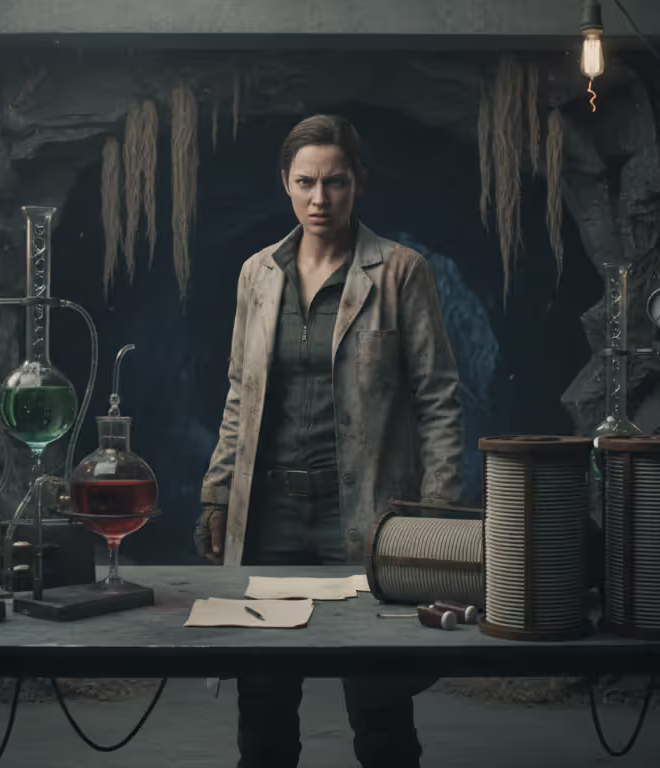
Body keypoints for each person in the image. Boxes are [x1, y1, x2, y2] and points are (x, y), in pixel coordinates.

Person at [194, 114, 464, 768]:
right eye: (306, 182)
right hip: (271, 518)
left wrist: (434, 520)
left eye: (335, 182)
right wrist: (217, 492)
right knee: (263, 709)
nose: (320, 198)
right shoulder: (257, 274)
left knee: (381, 708)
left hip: (369, 518)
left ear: (358, 182)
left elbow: (438, 400)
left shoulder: (400, 272)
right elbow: (240, 393)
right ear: (285, 184)